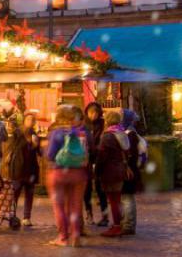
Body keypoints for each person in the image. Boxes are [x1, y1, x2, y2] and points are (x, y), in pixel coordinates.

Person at [45, 105, 90, 247]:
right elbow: (89, 150)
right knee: (75, 206)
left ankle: (63, 238)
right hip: (79, 173)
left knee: (59, 206)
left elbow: (50, 155)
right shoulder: (81, 133)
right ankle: (76, 235)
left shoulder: (56, 133)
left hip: (59, 173)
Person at [96, 108, 130, 238]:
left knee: (113, 200)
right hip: (120, 170)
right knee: (117, 199)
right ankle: (118, 224)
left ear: (107, 121)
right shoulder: (122, 133)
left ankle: (116, 226)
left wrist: (97, 171)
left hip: (110, 171)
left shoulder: (108, 136)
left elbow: (102, 156)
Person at [0, 117, 32, 230]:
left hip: (13, 171)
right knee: (8, 195)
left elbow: (23, 157)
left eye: (10, 125)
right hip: (7, 170)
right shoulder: (4, 138)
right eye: (7, 125)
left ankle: (11, 216)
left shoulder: (18, 140)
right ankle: (9, 215)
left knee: (12, 195)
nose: (8, 127)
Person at [83, 100, 110, 227]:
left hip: (100, 159)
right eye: (91, 112)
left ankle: (105, 216)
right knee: (86, 189)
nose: (93, 115)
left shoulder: (104, 124)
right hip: (87, 159)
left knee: (101, 189)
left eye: (95, 113)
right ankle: (89, 214)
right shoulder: (84, 125)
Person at [19, 111, 43, 228]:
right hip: (19, 168)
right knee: (15, 193)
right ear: (24, 121)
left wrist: (36, 145)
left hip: (31, 168)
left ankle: (26, 217)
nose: (30, 122)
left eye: (32, 120)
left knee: (29, 193)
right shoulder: (18, 133)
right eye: (28, 119)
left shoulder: (35, 134)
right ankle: (12, 215)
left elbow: (39, 152)